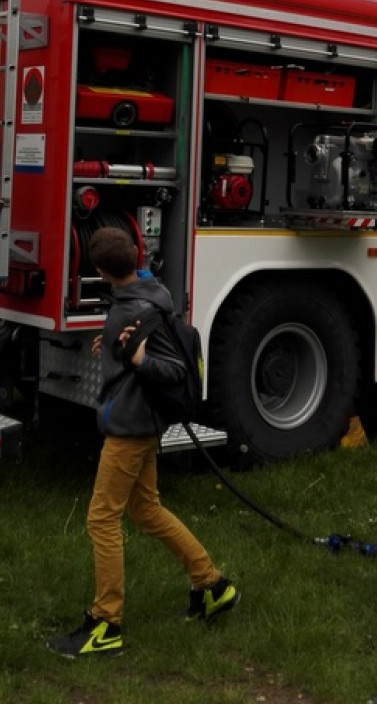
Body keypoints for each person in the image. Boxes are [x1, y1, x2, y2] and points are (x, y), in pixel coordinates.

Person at [47, 226, 238, 658]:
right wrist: (117, 349)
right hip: (144, 422)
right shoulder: (153, 292)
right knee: (146, 509)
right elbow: (143, 335)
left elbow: (168, 367)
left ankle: (105, 624)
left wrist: (137, 358)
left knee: (101, 519)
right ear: (135, 259)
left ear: (98, 270)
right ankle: (212, 585)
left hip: (130, 429)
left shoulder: (124, 312)